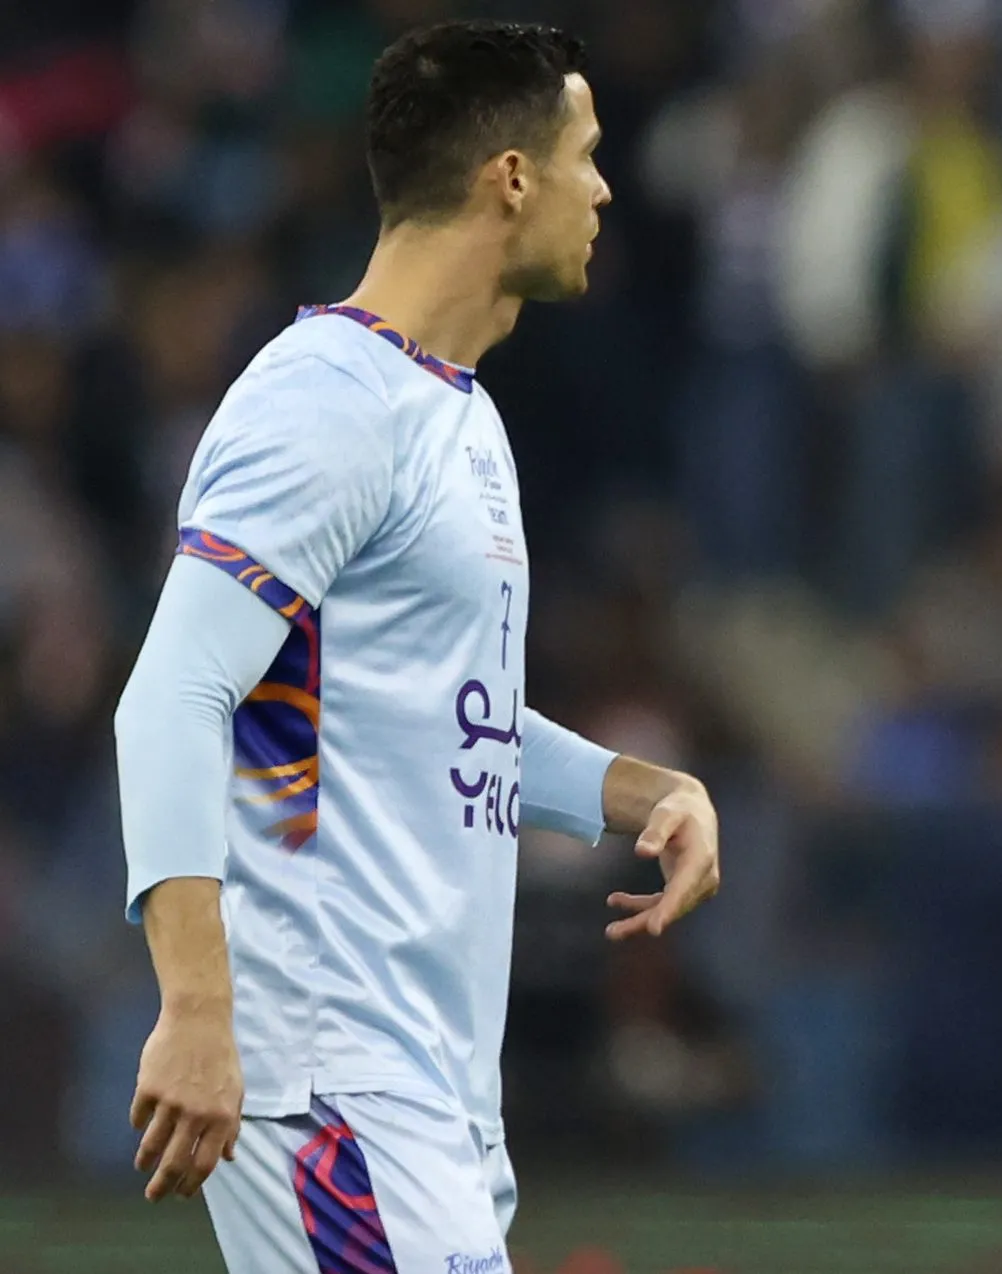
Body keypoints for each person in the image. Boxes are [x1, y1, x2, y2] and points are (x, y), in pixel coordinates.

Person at [111, 21, 722, 1271]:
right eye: (585, 155)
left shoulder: (456, 415)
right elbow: (171, 692)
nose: (605, 188)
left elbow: (450, 716)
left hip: (428, 1086)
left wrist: (638, 789)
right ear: (510, 176)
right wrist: (195, 1004)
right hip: (333, 1073)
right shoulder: (322, 398)